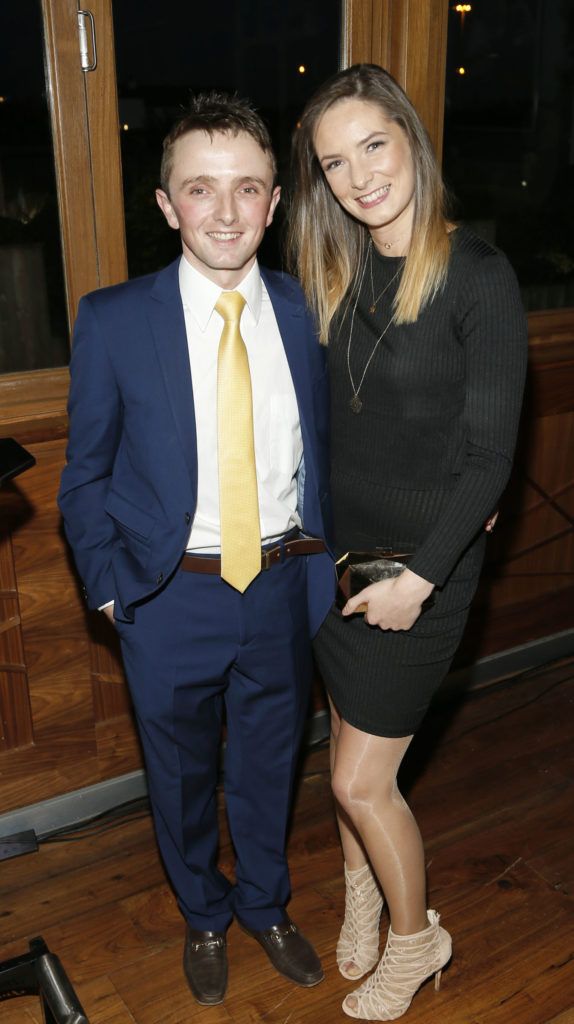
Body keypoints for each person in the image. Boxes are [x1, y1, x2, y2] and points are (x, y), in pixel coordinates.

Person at [58, 92, 335, 1007]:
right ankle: (206, 914)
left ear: (275, 202)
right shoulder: (113, 319)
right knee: (178, 780)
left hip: (280, 585)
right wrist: (109, 592)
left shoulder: (302, 311)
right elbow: (84, 473)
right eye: (201, 189)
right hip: (167, 594)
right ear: (167, 204)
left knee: (269, 766)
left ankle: (265, 904)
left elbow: (331, 450)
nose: (226, 212)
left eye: (247, 188)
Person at [287, 64, 527, 1021]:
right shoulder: (335, 274)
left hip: (419, 573)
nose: (358, 177)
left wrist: (420, 579)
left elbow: (488, 459)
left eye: (373, 147)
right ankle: (362, 890)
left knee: (357, 776)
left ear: (410, 141)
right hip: (338, 565)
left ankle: (416, 936)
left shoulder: (479, 275)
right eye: (334, 163)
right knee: (349, 746)